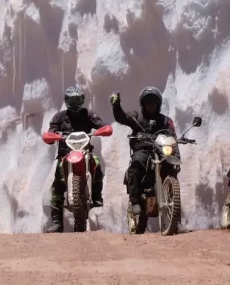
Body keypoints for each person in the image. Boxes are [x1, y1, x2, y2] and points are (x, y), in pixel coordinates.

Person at [45, 85, 108, 232]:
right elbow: (51, 131)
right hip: (65, 155)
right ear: (66, 101)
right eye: (71, 101)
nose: (74, 104)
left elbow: (101, 124)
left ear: (82, 100)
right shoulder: (59, 116)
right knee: (57, 185)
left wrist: (103, 129)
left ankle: (97, 196)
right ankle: (56, 222)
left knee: (97, 165)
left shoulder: (88, 114)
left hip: (85, 151)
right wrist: (52, 135)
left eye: (77, 100)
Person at [110, 86, 176, 220]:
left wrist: (176, 157)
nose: (151, 105)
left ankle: (175, 215)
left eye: (153, 102)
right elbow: (122, 117)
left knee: (171, 168)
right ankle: (135, 201)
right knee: (136, 164)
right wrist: (116, 105)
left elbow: (173, 139)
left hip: (161, 151)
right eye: (147, 103)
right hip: (142, 150)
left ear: (158, 104)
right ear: (142, 104)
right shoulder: (136, 117)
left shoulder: (166, 121)